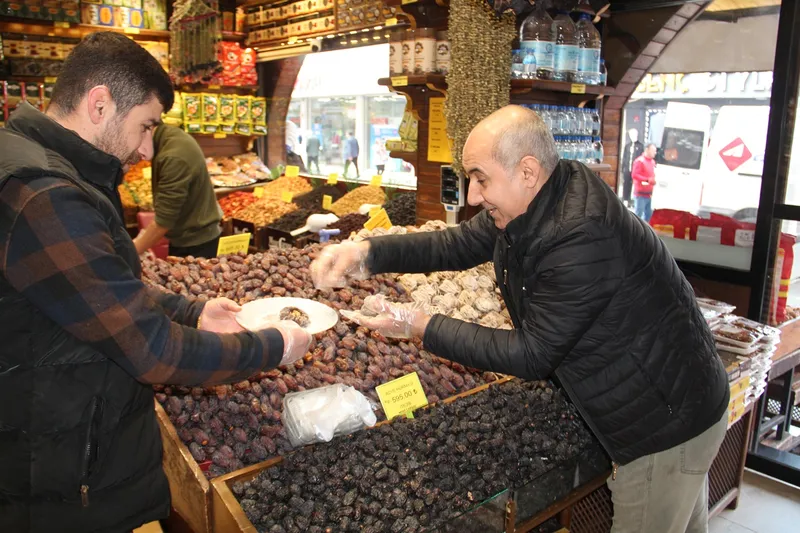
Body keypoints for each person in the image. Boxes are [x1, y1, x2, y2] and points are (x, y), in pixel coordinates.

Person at [311, 105, 729, 533]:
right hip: (680, 400)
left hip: (663, 424)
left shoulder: (581, 234)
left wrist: (417, 324)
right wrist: (367, 253)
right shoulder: (539, 200)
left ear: (527, 171)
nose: (473, 196)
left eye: (481, 179)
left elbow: (532, 355)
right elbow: (455, 245)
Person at [0, 32, 312, 533]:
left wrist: (192, 311)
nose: (147, 148)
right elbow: (154, 351)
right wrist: (273, 347)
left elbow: (97, 289)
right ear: (99, 104)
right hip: (55, 477)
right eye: (145, 126)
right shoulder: (46, 195)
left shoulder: (31, 161)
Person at [134, 124, 223, 258]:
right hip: (187, 237)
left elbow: (163, 222)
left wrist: (131, 251)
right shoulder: (170, 138)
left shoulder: (173, 156)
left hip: (197, 245)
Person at [632, 142, 658, 223]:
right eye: (653, 150)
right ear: (647, 150)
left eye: (655, 151)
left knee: (648, 215)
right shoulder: (640, 161)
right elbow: (634, 175)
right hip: (640, 194)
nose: (655, 153)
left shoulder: (652, 162)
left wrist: (653, 180)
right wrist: (647, 180)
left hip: (649, 193)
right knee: (638, 215)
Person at [621, 128, 644, 206]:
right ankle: (625, 199)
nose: (632, 136)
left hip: (636, 170)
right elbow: (624, 157)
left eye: (633, 134)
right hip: (627, 169)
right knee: (626, 184)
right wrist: (623, 168)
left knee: (635, 185)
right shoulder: (627, 146)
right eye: (630, 135)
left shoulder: (640, 146)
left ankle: (633, 200)